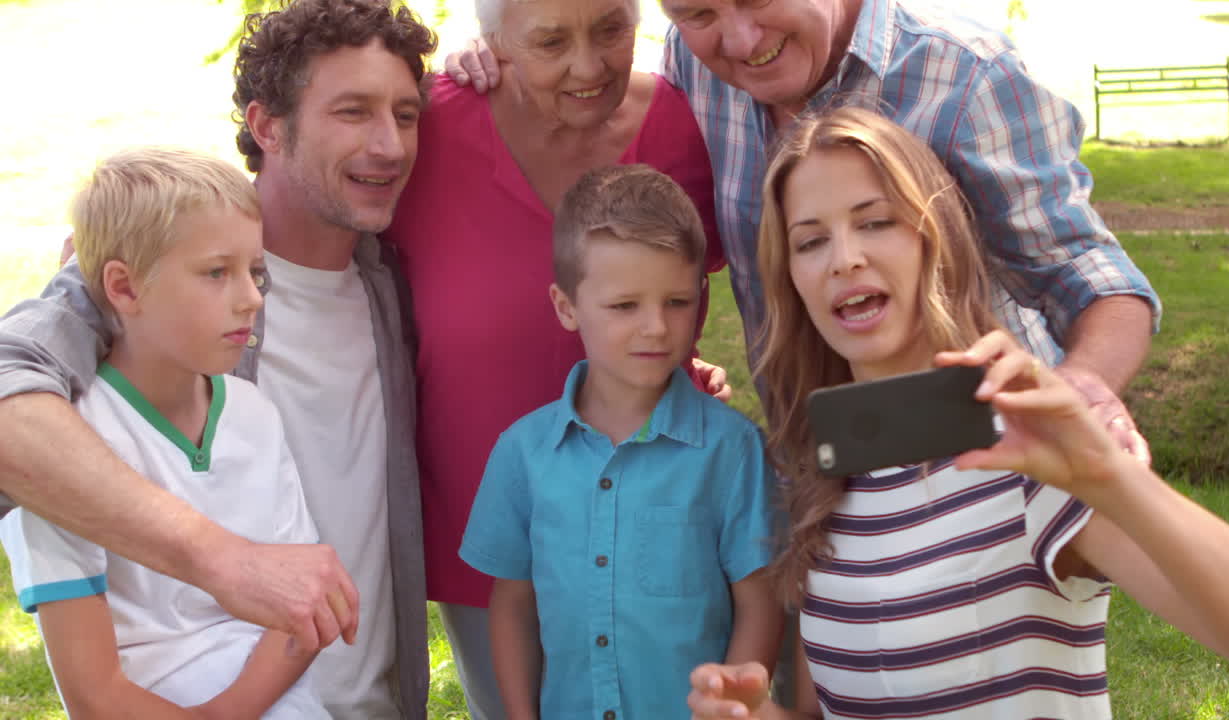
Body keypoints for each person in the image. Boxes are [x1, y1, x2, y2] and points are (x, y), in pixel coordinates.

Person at [684, 107, 1229, 719]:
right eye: (811, 241)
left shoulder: (1029, 449)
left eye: (875, 222)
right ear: (791, 278)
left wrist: (1109, 476)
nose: (844, 258)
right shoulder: (820, 481)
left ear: (934, 236)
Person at [446, 0, 1160, 457]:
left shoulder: (965, 76)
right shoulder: (695, 72)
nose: (740, 39)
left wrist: (1083, 388)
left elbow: (1093, 277)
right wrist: (493, 57)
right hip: (818, 463)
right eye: (698, 12)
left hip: (976, 454)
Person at [0, 1, 437, 718]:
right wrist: (221, 562)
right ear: (268, 126)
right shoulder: (135, 285)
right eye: (352, 111)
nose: (389, 145)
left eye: (406, 114)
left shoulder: (395, 282)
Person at [382, 0, 728, 715]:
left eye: (611, 28)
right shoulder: (428, 126)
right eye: (549, 42)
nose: (588, 65)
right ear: (494, 41)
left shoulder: (677, 122)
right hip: (489, 540)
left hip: (665, 531)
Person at [0, 147, 329, 719]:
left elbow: (303, 607)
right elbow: (95, 695)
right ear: (125, 287)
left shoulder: (255, 414)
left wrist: (228, 712)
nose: (252, 297)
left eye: (254, 271)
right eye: (216, 272)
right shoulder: (61, 455)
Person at [459, 164, 781, 720]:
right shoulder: (522, 454)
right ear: (567, 307)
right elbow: (512, 603)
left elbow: (760, 602)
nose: (655, 327)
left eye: (677, 302)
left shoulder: (733, 452)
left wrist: (732, 707)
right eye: (625, 305)